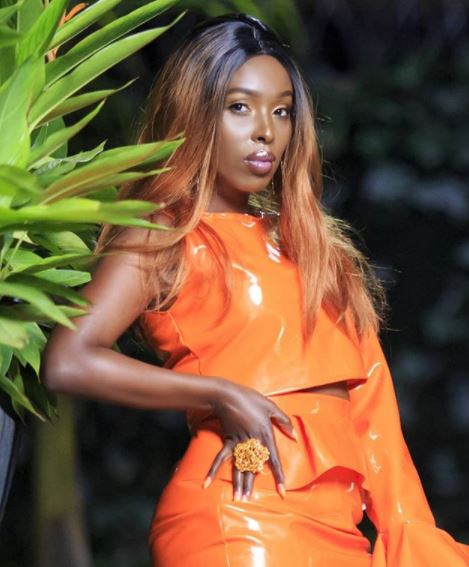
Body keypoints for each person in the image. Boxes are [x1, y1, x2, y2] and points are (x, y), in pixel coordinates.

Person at [41, 13, 469, 567]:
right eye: (239, 107)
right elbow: (68, 360)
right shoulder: (165, 234)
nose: (265, 129)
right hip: (240, 513)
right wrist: (219, 394)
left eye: (281, 110)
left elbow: (375, 418)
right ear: (197, 112)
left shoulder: (319, 253)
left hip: (341, 531)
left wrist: (414, 538)